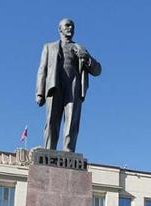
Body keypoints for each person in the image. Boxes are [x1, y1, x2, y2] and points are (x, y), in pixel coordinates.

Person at [36, 18, 102, 152]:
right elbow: (42, 70)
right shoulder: (49, 47)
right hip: (54, 86)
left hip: (73, 86)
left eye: (72, 26)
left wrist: (87, 58)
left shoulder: (80, 49)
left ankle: (68, 152)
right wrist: (40, 93)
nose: (70, 28)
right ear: (59, 29)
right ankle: (49, 151)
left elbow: (97, 70)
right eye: (67, 25)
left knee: (72, 121)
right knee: (51, 121)